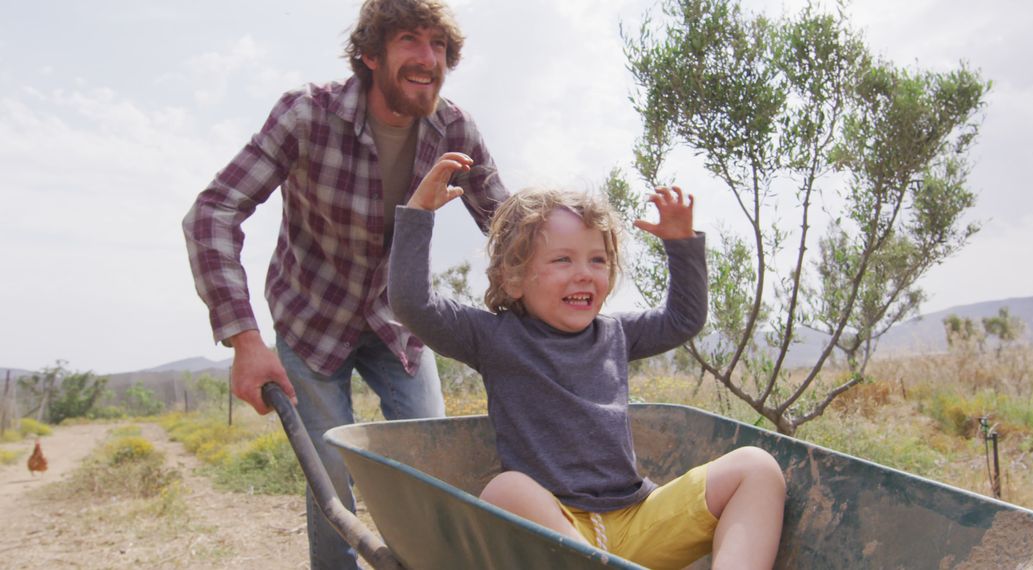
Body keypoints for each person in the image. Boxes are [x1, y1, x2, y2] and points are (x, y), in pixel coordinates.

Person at [181, 0, 507, 567]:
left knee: (434, 460)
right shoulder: (307, 114)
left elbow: (508, 228)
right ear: (370, 54)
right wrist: (244, 340)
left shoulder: (454, 128)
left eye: (438, 45)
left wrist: (558, 290)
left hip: (398, 321)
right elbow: (213, 212)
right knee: (331, 475)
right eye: (409, 39)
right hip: (311, 319)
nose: (428, 57)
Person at [388, 153, 786, 570]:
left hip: (637, 517)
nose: (584, 273)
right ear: (514, 278)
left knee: (757, 468)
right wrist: (418, 216)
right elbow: (413, 304)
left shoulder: (615, 333)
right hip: (557, 534)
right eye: (563, 259)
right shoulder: (493, 337)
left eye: (597, 260)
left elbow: (683, 320)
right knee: (506, 490)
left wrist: (680, 245)